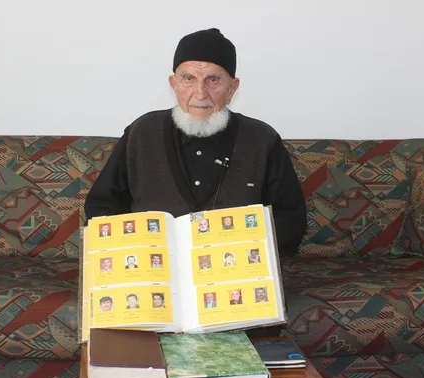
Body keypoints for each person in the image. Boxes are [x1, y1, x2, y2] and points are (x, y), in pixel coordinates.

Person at [84, 28, 306, 337]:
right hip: (154, 284)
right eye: (188, 78)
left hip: (235, 287)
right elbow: (101, 207)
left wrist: (240, 253)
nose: (200, 93)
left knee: (253, 349)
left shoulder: (261, 140)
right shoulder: (142, 133)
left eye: (213, 80)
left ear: (232, 88)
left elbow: (291, 219)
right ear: (173, 84)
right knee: (130, 347)